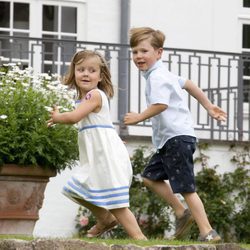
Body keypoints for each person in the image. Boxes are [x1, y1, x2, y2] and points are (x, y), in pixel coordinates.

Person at [124, 27, 227, 242]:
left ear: (159, 52)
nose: (138, 56)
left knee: (187, 187)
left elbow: (161, 104)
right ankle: (182, 212)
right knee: (149, 177)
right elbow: (188, 84)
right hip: (171, 139)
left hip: (176, 138)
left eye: (144, 51)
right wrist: (208, 106)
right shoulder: (163, 74)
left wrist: (138, 117)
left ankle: (207, 231)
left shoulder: (157, 78)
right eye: (134, 52)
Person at [47, 50, 147, 240]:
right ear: (74, 72)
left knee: (117, 204)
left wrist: (58, 117)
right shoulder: (84, 98)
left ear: (100, 76)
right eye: (81, 69)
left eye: (92, 70)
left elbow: (74, 117)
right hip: (98, 155)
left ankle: (139, 238)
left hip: (105, 156)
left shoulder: (94, 95)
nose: (86, 73)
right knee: (75, 190)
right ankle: (105, 218)